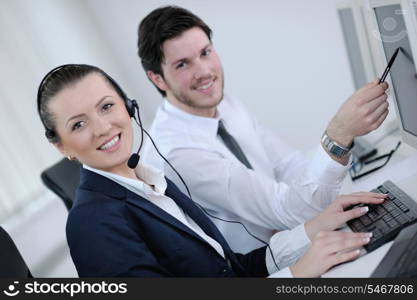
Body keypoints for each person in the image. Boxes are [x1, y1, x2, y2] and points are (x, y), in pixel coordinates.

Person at [37, 64, 386, 277]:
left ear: (129, 107)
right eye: (79, 124)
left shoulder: (149, 180)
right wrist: (297, 274)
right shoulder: (92, 224)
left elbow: (230, 271)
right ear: (62, 145)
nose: (102, 127)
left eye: (107, 106)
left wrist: (311, 231)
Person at [137, 6, 390, 253]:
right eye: (182, 64)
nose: (204, 72)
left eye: (205, 52)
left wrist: (324, 194)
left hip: (299, 236)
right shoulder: (177, 152)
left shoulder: (224, 102)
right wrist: (338, 136)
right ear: (157, 78)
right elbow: (287, 212)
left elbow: (287, 164)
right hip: (265, 267)